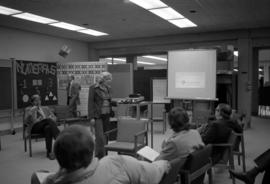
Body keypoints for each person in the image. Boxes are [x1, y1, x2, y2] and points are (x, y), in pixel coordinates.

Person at [40, 125, 170, 184]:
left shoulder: (51, 180)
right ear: (92, 148)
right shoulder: (116, 163)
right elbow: (152, 175)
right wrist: (162, 164)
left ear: (58, 157)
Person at [88, 72, 114, 159]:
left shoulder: (108, 88)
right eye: (108, 79)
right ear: (103, 79)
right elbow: (90, 103)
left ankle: (105, 154)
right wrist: (91, 117)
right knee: (100, 137)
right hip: (97, 115)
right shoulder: (93, 88)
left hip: (106, 114)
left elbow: (108, 100)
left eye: (110, 79)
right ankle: (99, 156)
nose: (110, 81)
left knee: (106, 135)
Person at [27, 94, 60, 160]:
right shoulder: (29, 109)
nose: (38, 102)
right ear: (32, 102)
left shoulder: (45, 108)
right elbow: (26, 121)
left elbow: (55, 118)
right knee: (48, 120)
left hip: (45, 126)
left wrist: (52, 118)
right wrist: (31, 114)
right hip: (34, 128)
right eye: (36, 101)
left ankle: (49, 153)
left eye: (39, 100)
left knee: (48, 128)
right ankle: (59, 138)